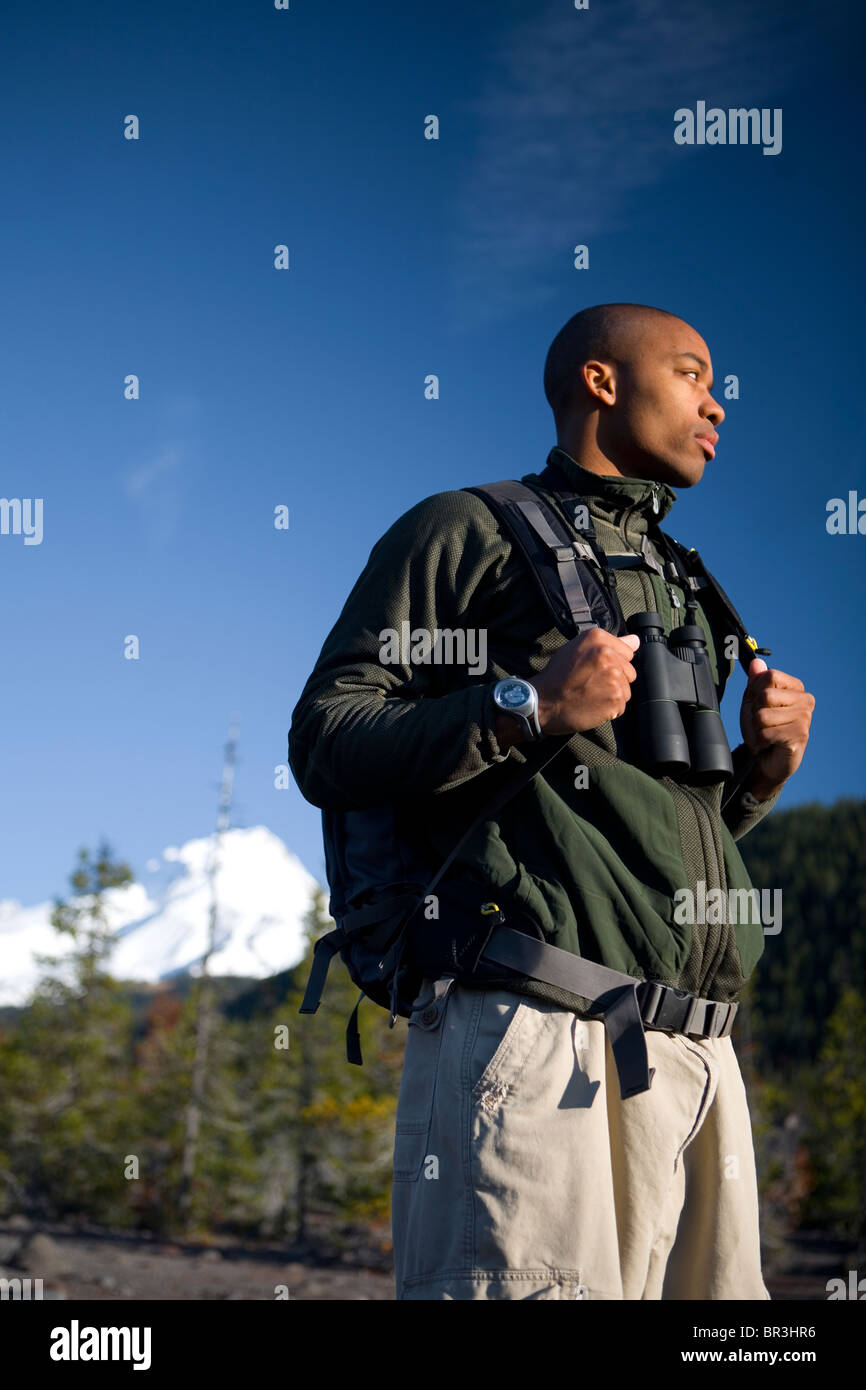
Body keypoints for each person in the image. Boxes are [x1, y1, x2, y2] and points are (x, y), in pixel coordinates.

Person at [287, 302, 815, 1300]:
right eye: (692, 374)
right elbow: (325, 737)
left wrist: (758, 776)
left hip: (700, 1063)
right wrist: (528, 706)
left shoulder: (682, 584)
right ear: (600, 382)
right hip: (537, 1040)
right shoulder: (463, 528)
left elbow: (626, 842)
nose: (717, 406)